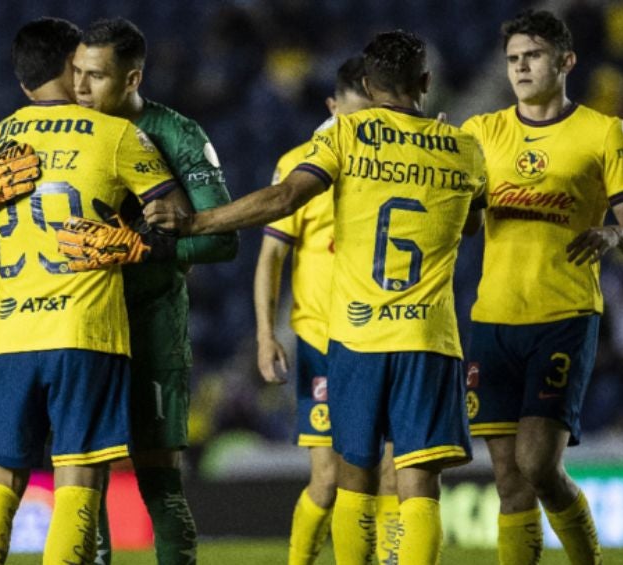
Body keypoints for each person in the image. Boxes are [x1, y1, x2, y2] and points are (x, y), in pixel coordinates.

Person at [146, 30, 486, 564]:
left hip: (354, 335)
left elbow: (283, 197)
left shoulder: (346, 137)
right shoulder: (465, 148)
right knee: (417, 487)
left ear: (369, 88)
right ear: (425, 82)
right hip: (428, 338)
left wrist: (194, 220)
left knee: (353, 479)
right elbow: (470, 227)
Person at [0, 17, 191, 565]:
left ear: (22, 83)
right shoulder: (114, 135)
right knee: (78, 479)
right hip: (85, 331)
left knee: (0, 480)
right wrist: (135, 243)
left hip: (13, 331)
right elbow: (175, 215)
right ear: (73, 65)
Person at [462, 10, 623, 565]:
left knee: (539, 465)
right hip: (494, 317)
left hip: (564, 315)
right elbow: (470, 224)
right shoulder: (481, 132)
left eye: (534, 56)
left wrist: (614, 234)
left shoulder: (603, 133)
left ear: (566, 61)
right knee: (507, 479)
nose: (521, 68)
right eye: (513, 59)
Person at [71, 17, 237, 564]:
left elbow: (222, 241)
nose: (80, 89)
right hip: (84, 328)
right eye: (76, 73)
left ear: (133, 78)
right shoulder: (66, 135)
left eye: (95, 77)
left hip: (152, 328)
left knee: (159, 478)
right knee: (82, 477)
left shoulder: (178, 134)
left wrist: (151, 247)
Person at [252, 56, 402, 565]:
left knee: (390, 474)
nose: (361, 128)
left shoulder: (392, 164)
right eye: (352, 117)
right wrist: (264, 335)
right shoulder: (302, 164)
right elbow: (271, 255)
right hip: (321, 340)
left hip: (383, 338)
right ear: (332, 106)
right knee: (329, 477)